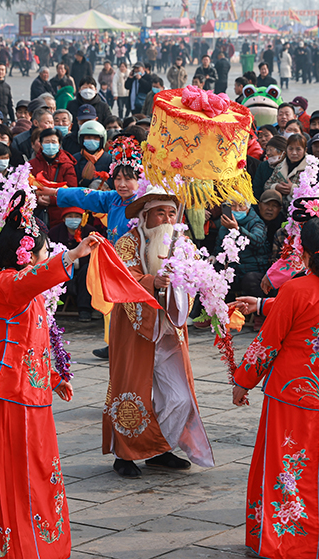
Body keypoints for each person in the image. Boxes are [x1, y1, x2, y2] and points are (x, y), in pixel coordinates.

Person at [0, 191, 101, 559]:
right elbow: (33, 281)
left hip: (32, 394)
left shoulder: (26, 290)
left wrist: (55, 378)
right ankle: (19, 546)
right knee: (17, 476)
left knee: (39, 473)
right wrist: (72, 255)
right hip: (12, 397)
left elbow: (33, 344)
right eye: (44, 250)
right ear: (27, 255)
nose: (48, 256)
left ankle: (39, 541)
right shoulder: (6, 284)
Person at [232, 217, 319, 559]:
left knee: (287, 467)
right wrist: (260, 304)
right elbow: (318, 310)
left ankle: (289, 540)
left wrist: (243, 381)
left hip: (292, 394)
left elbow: (268, 342)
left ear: (299, 251)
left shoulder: (293, 290)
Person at [105, 187, 215, 478]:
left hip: (169, 329)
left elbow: (195, 278)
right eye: (159, 212)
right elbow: (122, 277)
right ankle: (125, 453)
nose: (166, 218)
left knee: (178, 395)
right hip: (134, 325)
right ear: (145, 215)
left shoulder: (183, 243)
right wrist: (154, 281)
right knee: (130, 387)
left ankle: (159, 447)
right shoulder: (128, 242)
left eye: (170, 212)